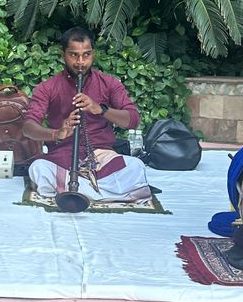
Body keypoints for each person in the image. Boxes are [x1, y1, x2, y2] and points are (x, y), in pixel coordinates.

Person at [22, 27, 150, 203]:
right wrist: (56, 133)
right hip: (62, 158)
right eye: (74, 55)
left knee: (136, 167)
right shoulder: (48, 87)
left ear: (93, 54)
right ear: (63, 55)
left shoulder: (109, 84)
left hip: (101, 156)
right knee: (38, 168)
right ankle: (104, 192)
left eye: (86, 55)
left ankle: (80, 191)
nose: (81, 62)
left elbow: (133, 120)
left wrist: (101, 110)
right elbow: (28, 128)